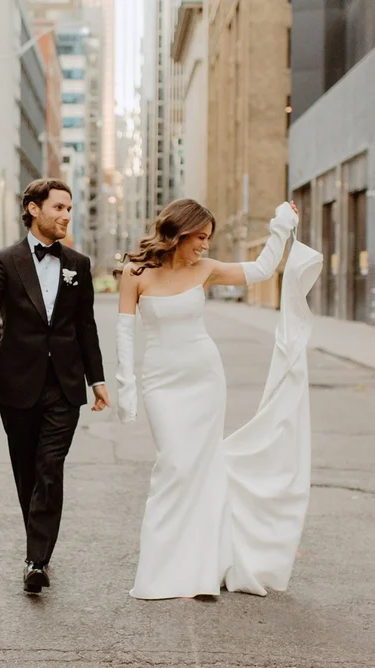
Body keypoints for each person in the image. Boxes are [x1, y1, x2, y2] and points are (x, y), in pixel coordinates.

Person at [115, 198, 304, 599]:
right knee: (174, 465)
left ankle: (204, 566)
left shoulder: (207, 270)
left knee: (203, 468)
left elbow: (261, 269)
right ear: (178, 233)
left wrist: (281, 225)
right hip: (161, 382)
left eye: (208, 238)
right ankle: (162, 571)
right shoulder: (136, 273)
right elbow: (124, 332)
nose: (204, 245)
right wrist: (125, 385)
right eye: (199, 237)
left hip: (204, 378)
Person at [0, 178, 109, 593]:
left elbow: (85, 326)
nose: (66, 215)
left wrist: (97, 379)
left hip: (64, 385)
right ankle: (38, 542)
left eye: (69, 208)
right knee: (26, 472)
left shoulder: (78, 264)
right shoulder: (5, 260)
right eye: (58, 208)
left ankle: (37, 560)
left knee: (50, 468)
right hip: (17, 383)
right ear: (34, 209)